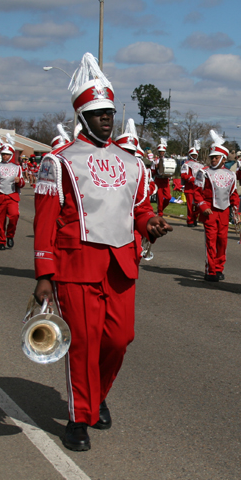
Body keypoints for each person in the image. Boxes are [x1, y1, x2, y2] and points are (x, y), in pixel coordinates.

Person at [33, 53, 172, 452]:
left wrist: (151, 224)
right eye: (97, 113)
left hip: (119, 266)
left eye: (109, 111)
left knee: (118, 339)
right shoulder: (56, 162)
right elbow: (44, 222)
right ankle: (79, 419)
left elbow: (139, 209)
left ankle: (96, 395)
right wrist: (44, 273)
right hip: (75, 265)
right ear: (82, 117)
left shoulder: (132, 163)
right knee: (84, 342)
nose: (106, 118)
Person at [193, 131, 240, 281]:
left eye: (216, 157)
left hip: (224, 211)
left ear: (224, 158)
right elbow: (196, 192)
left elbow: (233, 195)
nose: (213, 159)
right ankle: (211, 270)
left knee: (222, 241)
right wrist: (202, 206)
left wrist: (236, 211)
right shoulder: (203, 172)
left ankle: (219, 268)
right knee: (211, 240)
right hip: (210, 211)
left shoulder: (231, 174)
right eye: (211, 157)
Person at [0, 135, 24, 250]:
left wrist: (19, 181)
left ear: (11, 155)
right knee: (0, 220)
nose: (5, 156)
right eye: (3, 154)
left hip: (12, 196)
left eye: (7, 154)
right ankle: (1, 241)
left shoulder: (17, 167)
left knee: (14, 216)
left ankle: (10, 235)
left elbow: (22, 184)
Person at [180, 142, 205, 227]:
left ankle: (195, 218)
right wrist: (191, 178)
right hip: (190, 188)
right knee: (190, 206)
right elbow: (183, 175)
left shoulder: (201, 165)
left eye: (195, 154)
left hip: (198, 188)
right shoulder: (186, 164)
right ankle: (190, 221)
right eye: (193, 155)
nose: (194, 156)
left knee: (198, 206)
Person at [150, 138, 172, 216]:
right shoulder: (155, 161)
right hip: (158, 180)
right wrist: (156, 168)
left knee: (168, 197)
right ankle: (160, 212)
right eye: (160, 151)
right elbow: (152, 172)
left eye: (162, 151)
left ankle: (161, 209)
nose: (161, 153)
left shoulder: (168, 159)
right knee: (160, 198)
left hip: (165, 180)